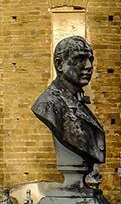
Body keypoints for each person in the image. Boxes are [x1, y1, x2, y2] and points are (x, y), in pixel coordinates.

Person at [32, 36, 106, 174]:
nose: (89, 66)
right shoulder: (49, 104)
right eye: (80, 59)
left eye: (91, 60)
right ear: (60, 64)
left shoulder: (78, 101)